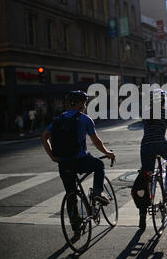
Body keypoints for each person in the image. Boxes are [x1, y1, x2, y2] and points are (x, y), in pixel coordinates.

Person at [41, 91, 115, 231]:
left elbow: (44, 136)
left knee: (71, 194)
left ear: (69, 103)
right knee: (99, 165)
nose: (85, 105)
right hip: (80, 160)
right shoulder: (84, 119)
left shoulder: (58, 119)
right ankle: (98, 193)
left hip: (63, 163)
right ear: (81, 104)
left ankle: (75, 225)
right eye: (85, 103)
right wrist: (108, 153)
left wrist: (52, 156)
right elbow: (97, 142)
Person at [138, 89, 167, 231]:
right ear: (164, 101)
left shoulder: (146, 113)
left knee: (146, 176)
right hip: (160, 144)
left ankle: (142, 212)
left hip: (145, 146)